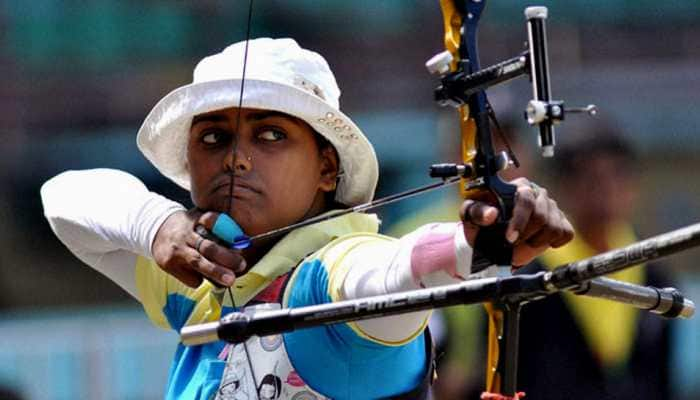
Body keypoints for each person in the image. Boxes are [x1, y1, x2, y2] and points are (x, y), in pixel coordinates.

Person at [40, 38, 573, 400]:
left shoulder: (327, 282)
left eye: (271, 135)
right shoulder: (199, 283)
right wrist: (155, 225)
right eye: (213, 138)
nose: (235, 158)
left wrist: (474, 244)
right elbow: (63, 200)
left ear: (326, 167)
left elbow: (394, 271)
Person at [512, 125, 674, 400]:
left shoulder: (655, 277)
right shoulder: (531, 279)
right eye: (593, 179)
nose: (607, 190)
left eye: (618, 176)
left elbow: (661, 379)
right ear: (567, 187)